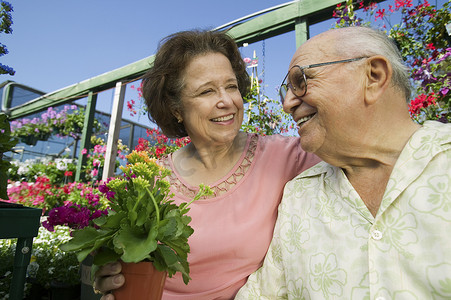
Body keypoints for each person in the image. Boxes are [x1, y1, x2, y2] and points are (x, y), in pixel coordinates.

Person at [94, 30, 320, 300]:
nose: (227, 101)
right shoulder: (151, 182)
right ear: (176, 109)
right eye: (207, 91)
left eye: (232, 86)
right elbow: (117, 264)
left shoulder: (287, 156)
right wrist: (107, 277)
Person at [235, 25, 451, 299]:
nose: (288, 103)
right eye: (285, 90)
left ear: (373, 76)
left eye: (300, 80)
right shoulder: (299, 195)